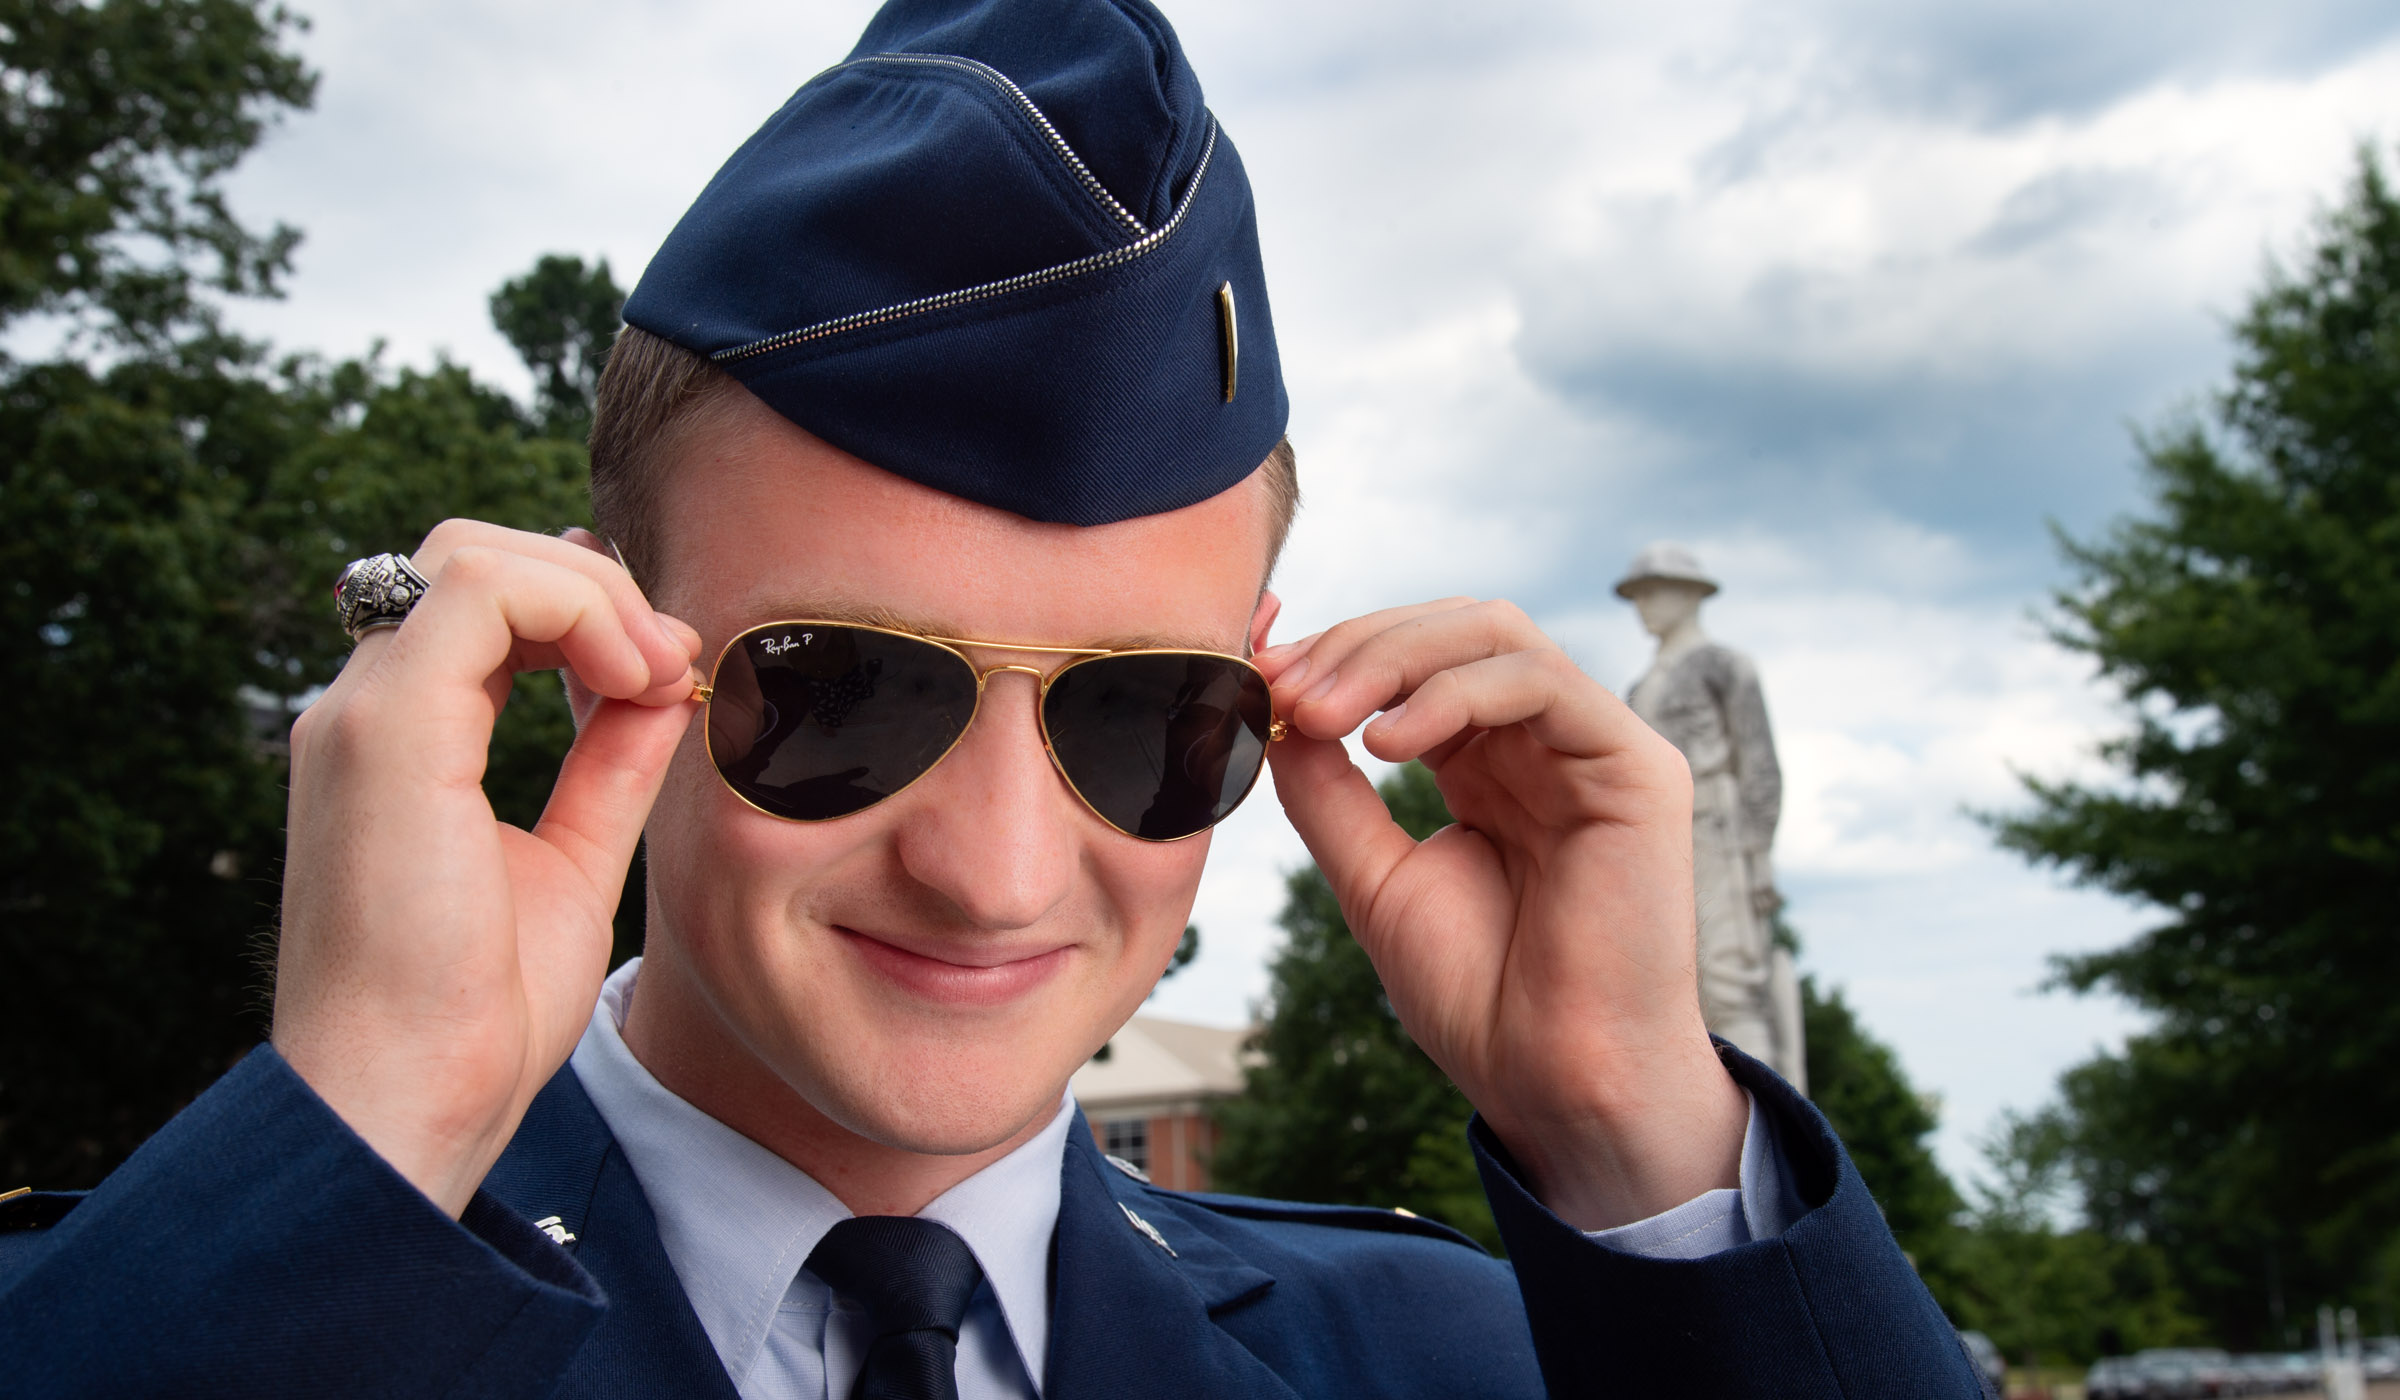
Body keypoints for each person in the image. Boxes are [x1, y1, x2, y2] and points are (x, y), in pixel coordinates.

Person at [0, 2, 1990, 1396]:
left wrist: (1632, 1119)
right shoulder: (191, 1319)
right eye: (840, 691)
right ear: (593, 650)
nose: (994, 865)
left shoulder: (1463, 1356)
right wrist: (363, 1125)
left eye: (1147, 718)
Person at [1618, 541, 1807, 1088]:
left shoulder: (1725, 666)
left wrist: (1757, 855)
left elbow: (1759, 766)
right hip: (1658, 847)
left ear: (1689, 594)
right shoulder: (1640, 686)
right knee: (1677, 991)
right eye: (1637, 594)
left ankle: (1771, 1135)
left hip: (1716, 834)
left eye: (1654, 590)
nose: (1644, 604)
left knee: (1731, 984)